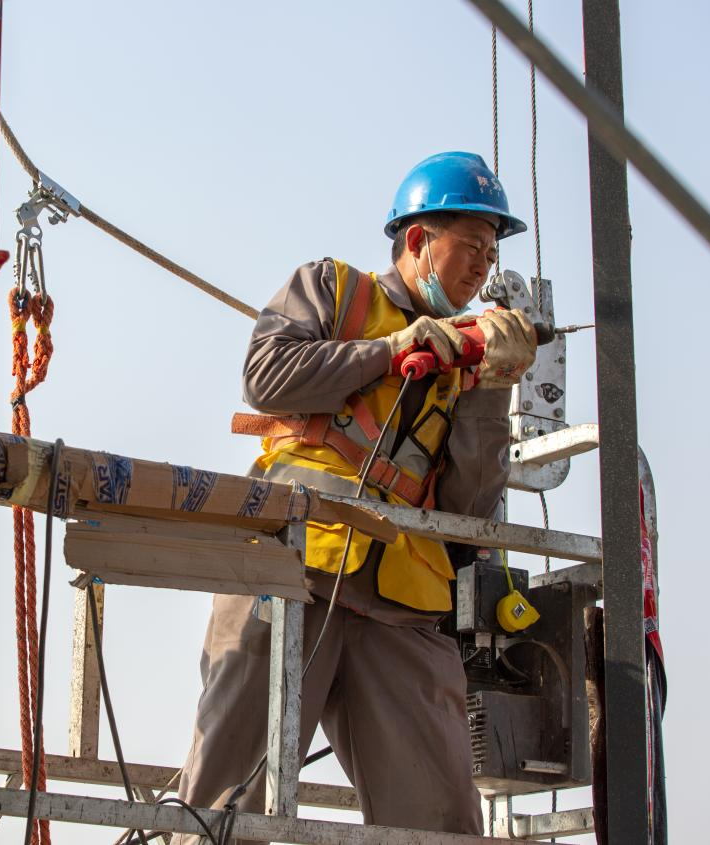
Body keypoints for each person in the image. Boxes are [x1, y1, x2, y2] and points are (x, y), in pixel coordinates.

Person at [172, 152, 537, 841]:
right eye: (470, 247)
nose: (480, 267)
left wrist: (493, 387)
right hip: (289, 571)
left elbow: (465, 515)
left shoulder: (463, 366)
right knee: (226, 803)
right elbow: (266, 377)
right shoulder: (335, 290)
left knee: (440, 822)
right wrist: (389, 348)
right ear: (416, 241)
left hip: (399, 606)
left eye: (489, 255)